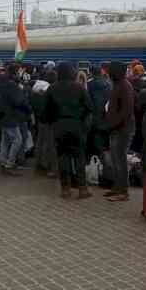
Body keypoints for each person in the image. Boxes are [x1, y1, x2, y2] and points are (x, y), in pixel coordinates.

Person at [42, 62, 92, 199]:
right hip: (77, 126)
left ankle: (66, 188)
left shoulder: (52, 88)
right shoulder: (80, 88)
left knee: (63, 157)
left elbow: (45, 111)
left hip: (59, 126)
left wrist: (52, 121)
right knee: (79, 157)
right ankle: (82, 188)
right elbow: (89, 107)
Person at [105, 61, 135, 202]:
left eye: (111, 71)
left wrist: (114, 124)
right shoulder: (118, 85)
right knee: (115, 160)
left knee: (120, 160)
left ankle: (123, 191)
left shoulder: (124, 86)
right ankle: (117, 187)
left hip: (123, 129)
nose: (109, 73)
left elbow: (126, 111)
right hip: (116, 128)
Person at [0, 65, 30, 170]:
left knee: (5, 140)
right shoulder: (13, 86)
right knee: (18, 140)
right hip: (12, 117)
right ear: (15, 73)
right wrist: (28, 109)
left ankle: (3, 160)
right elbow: (18, 101)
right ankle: (10, 162)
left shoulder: (0, 84)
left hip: (2, 116)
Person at [87, 65, 111, 159]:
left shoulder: (89, 85)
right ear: (101, 72)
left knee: (95, 138)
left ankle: (96, 158)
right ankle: (104, 160)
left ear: (92, 73)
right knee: (104, 139)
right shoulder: (108, 84)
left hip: (94, 116)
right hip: (105, 115)